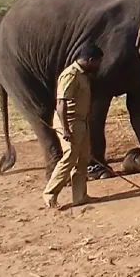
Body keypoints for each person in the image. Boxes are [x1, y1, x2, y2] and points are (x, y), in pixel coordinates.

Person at [42, 44, 104, 209]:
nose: (99, 65)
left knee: (83, 159)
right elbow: (61, 103)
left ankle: (80, 196)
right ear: (90, 60)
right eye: (98, 62)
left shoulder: (84, 75)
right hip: (69, 121)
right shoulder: (70, 74)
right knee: (70, 156)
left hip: (81, 121)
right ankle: (50, 193)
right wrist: (66, 129)